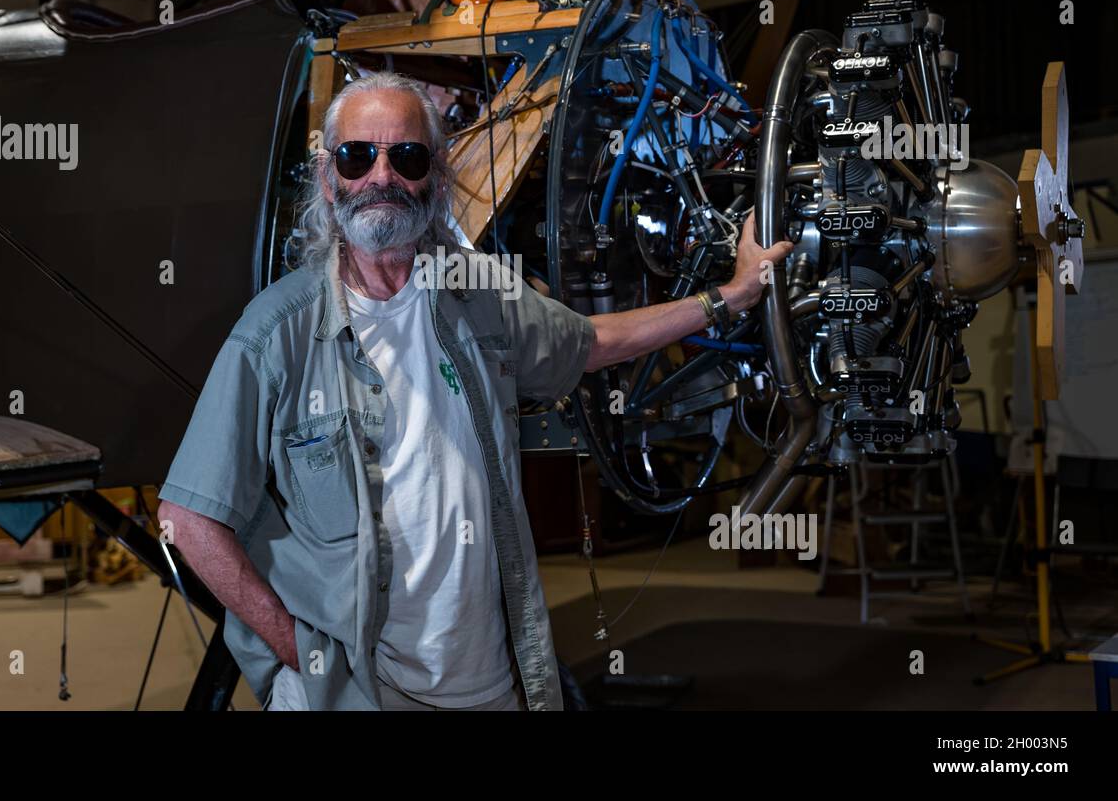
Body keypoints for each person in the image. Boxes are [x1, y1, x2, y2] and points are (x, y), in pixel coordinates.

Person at [157, 71, 791, 710]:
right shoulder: (275, 335)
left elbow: (592, 344)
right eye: (357, 157)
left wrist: (731, 296)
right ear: (328, 178)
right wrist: (302, 655)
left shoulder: (480, 291)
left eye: (406, 157)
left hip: (488, 684)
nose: (381, 177)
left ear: (434, 178)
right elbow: (188, 518)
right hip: (351, 694)